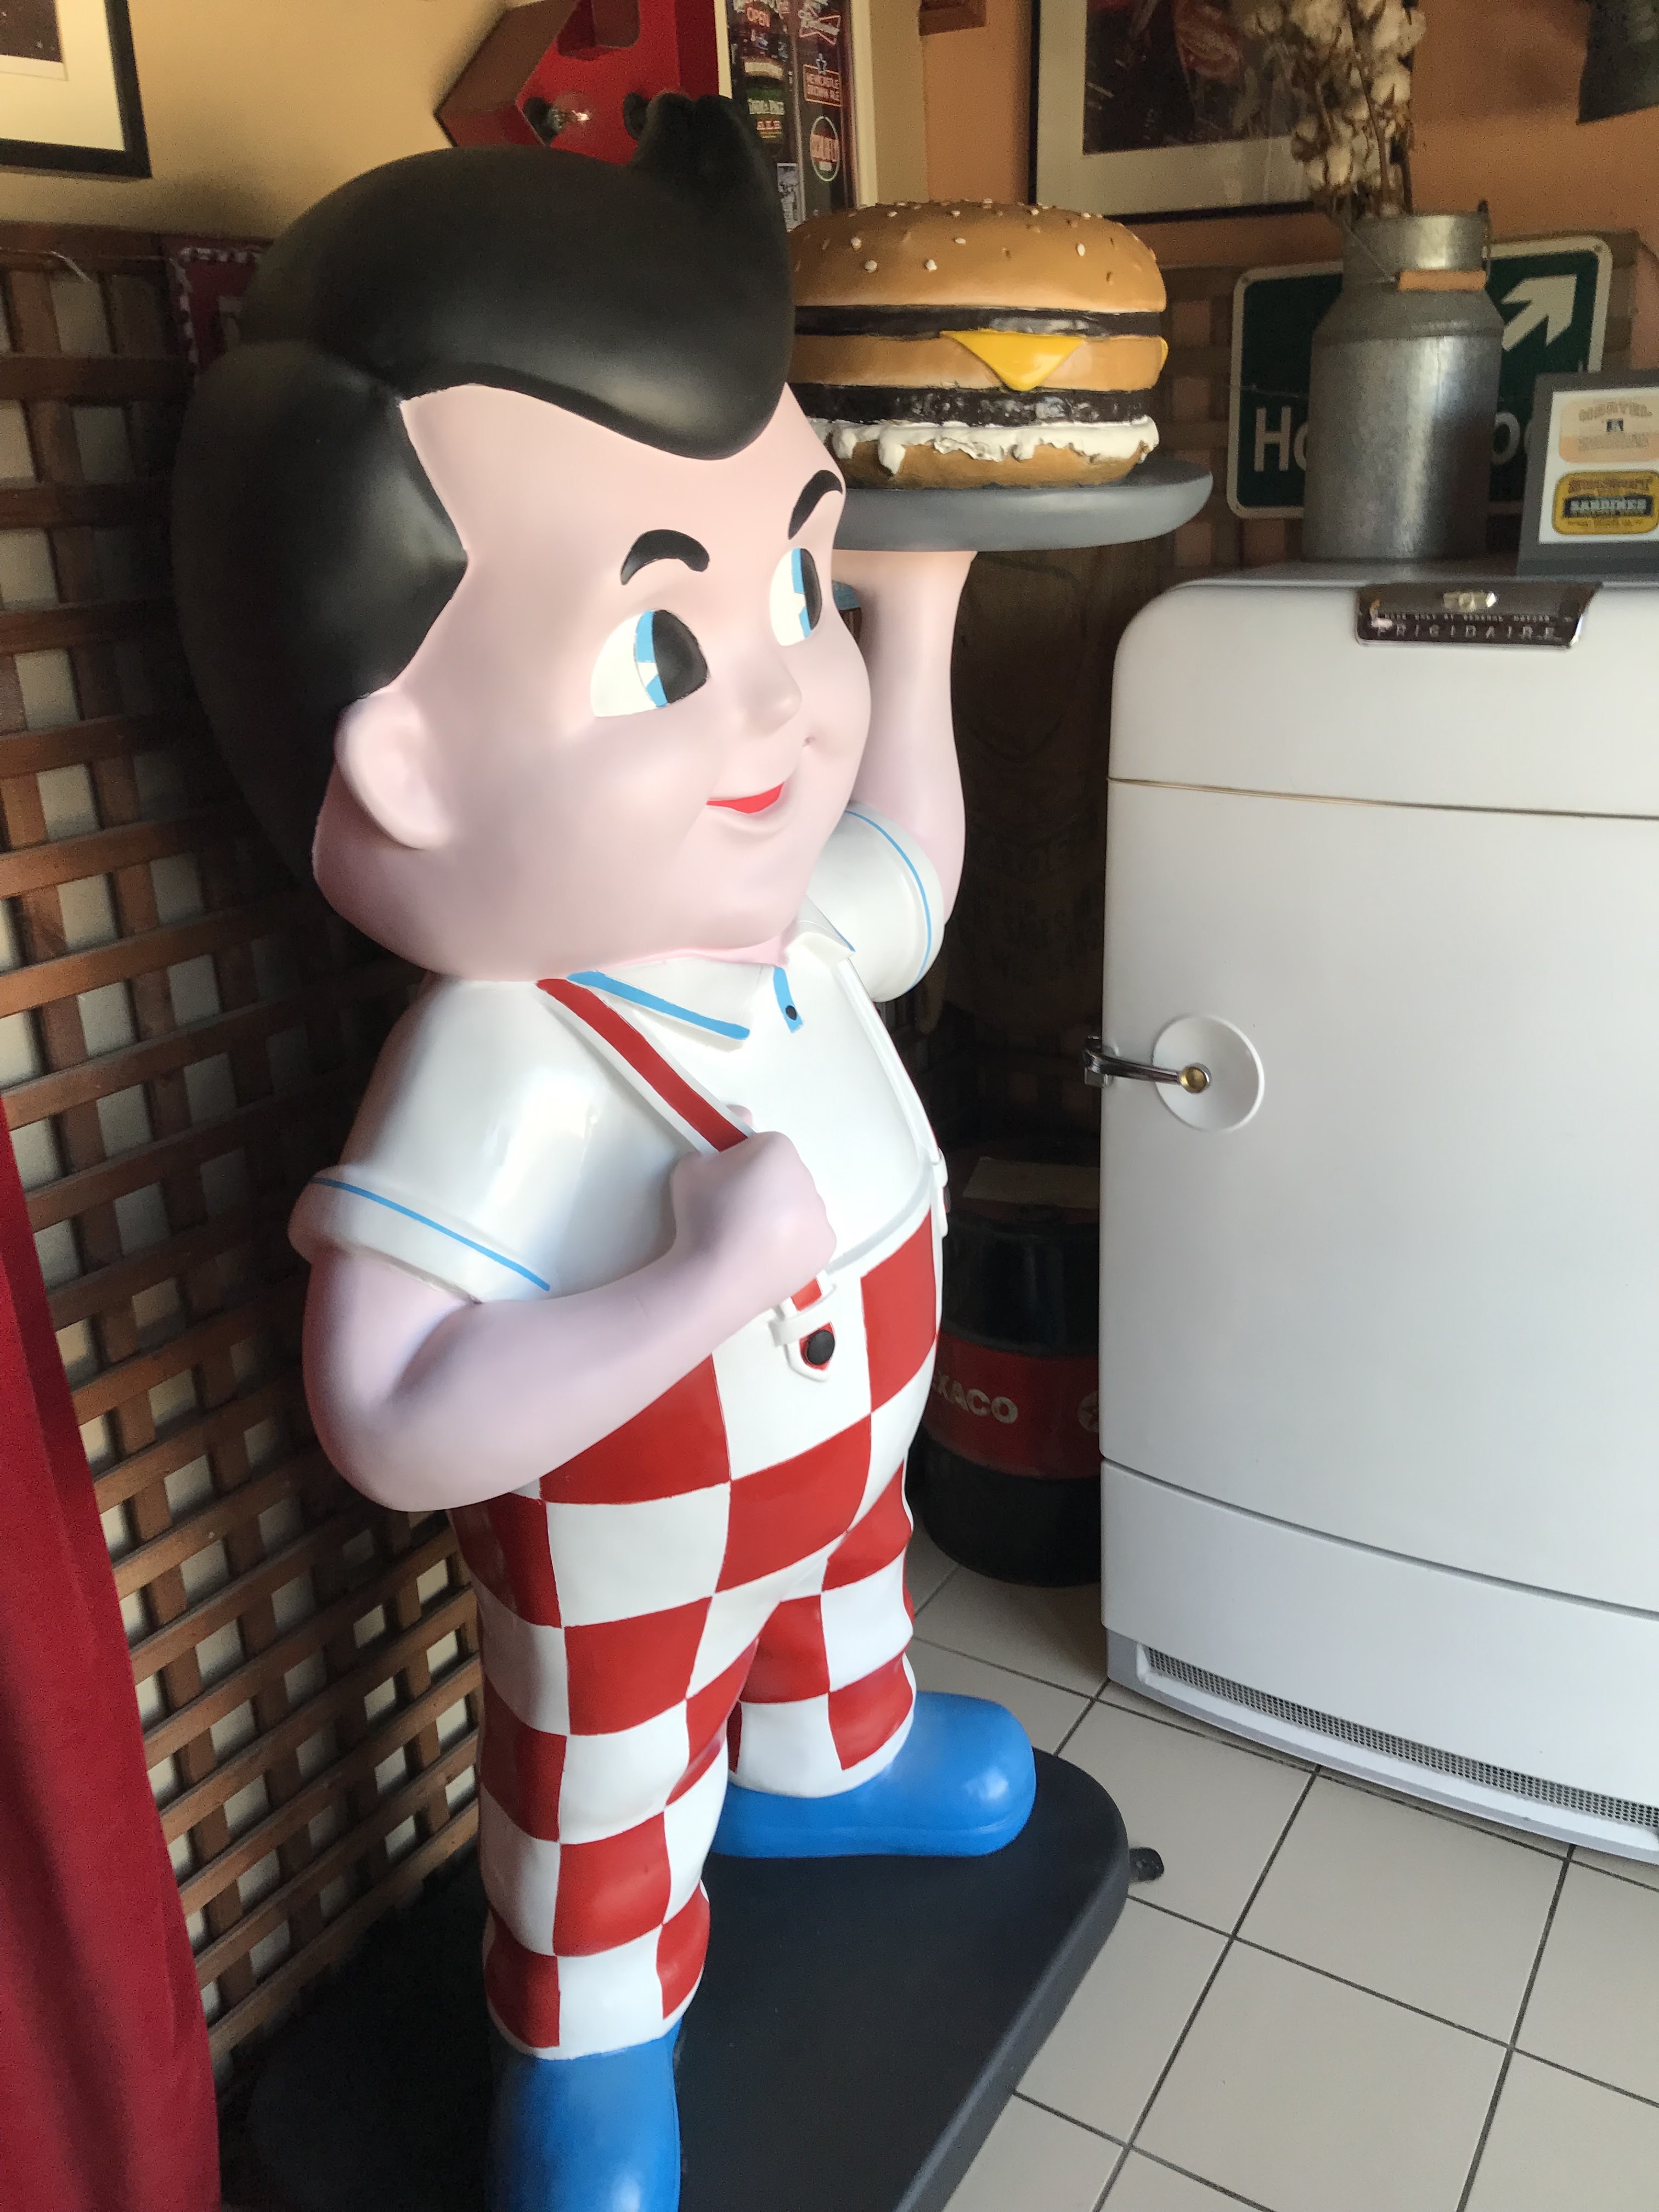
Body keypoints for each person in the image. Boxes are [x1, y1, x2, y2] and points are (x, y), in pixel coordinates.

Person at [172, 94, 1034, 2212]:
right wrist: (694, 1287)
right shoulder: (510, 1049)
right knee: (603, 1786)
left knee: (842, 1607)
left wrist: (915, 627)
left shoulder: (783, 919)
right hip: (627, 1560)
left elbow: (912, 874)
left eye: (796, 581)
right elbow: (388, 1413)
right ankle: (586, 2038)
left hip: (843, 1489)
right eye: (667, 644)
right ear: (402, 766)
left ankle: (830, 1760)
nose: (786, 703)